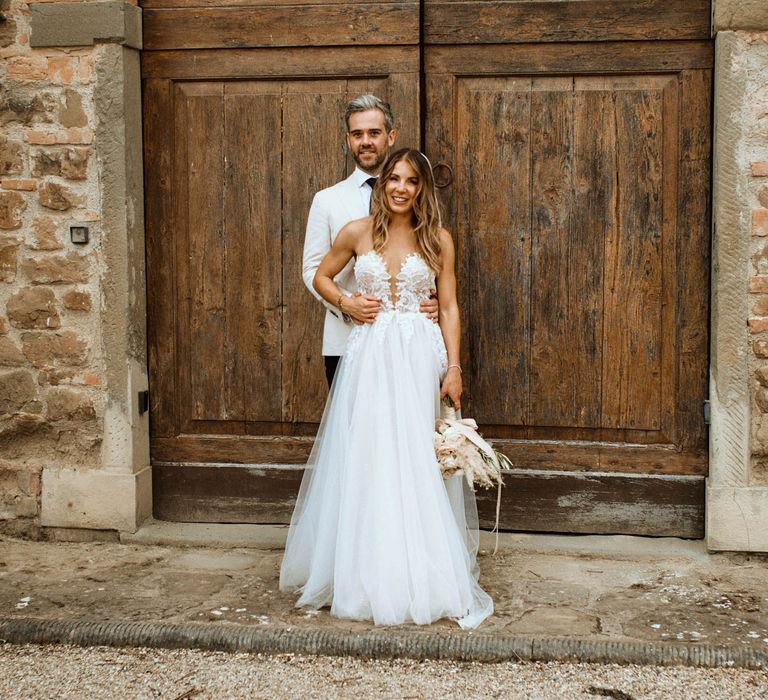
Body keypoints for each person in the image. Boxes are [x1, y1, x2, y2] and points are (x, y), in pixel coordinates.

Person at [280, 148, 493, 628]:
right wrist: (347, 302)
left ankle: (422, 572)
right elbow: (319, 275)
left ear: (422, 190)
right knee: (370, 454)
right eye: (393, 179)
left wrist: (454, 367)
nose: (400, 188)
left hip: (420, 357)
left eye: (411, 181)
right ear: (382, 185)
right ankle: (363, 574)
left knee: (415, 457)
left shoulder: (438, 239)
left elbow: (451, 306)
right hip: (369, 357)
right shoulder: (356, 232)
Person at [302, 95, 438, 387]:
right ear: (348, 139)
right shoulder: (326, 200)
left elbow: (428, 252)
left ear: (390, 136)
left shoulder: (415, 192)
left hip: (410, 343)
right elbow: (312, 270)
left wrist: (432, 299)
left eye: (374, 133)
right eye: (357, 134)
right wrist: (347, 305)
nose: (365, 141)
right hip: (345, 339)